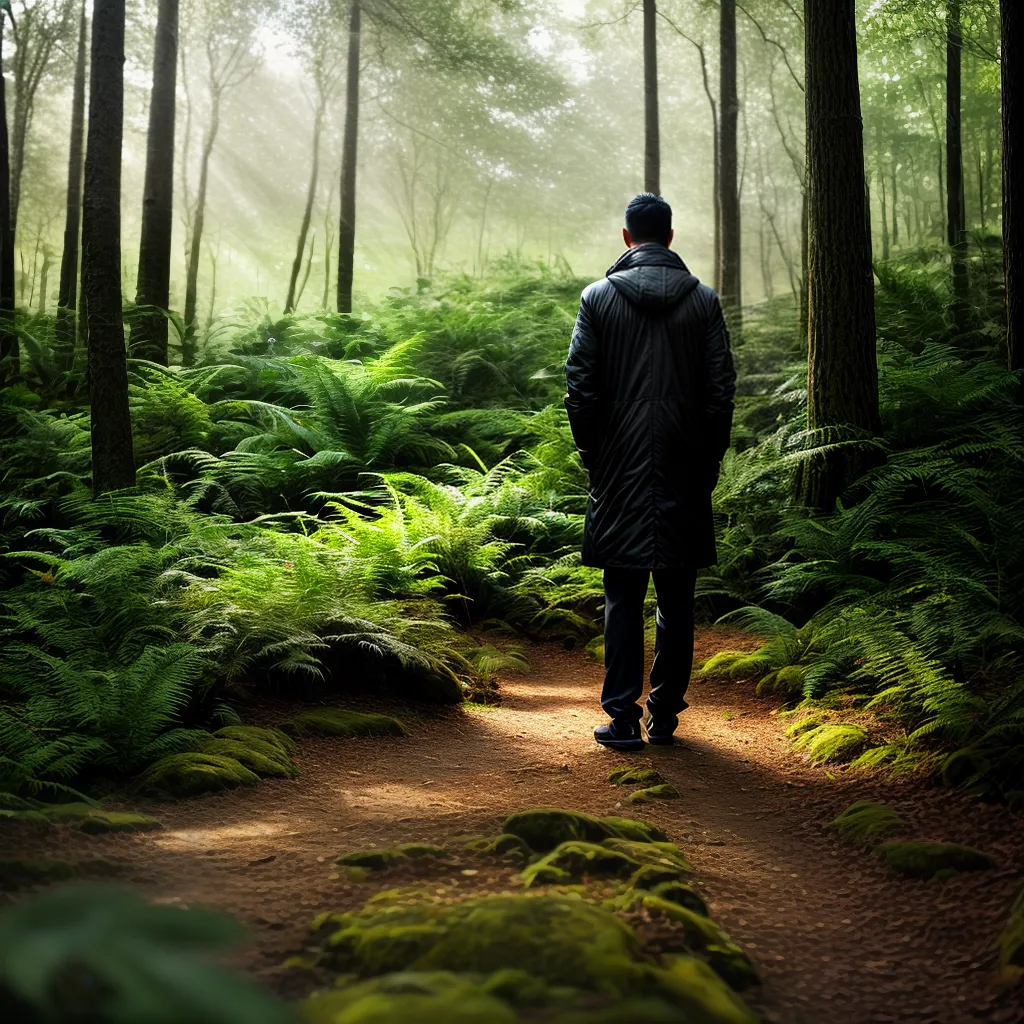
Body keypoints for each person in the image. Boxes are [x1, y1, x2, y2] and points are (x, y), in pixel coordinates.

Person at [564, 193, 737, 751]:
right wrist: (709, 458)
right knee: (677, 599)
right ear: (670, 235)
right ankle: (664, 717)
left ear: (626, 238)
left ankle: (621, 719)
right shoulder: (703, 301)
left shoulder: (597, 298)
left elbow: (579, 390)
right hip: (686, 466)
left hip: (619, 468)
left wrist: (596, 456)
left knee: (621, 596)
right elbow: (720, 392)